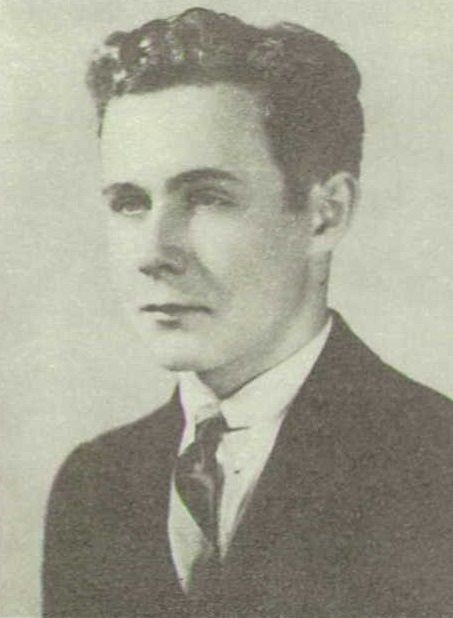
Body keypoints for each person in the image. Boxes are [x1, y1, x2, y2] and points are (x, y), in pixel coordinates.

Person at [42, 7, 453, 617]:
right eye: (130, 202)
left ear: (325, 215)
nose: (154, 253)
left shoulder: (436, 465)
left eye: (207, 198)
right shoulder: (96, 484)